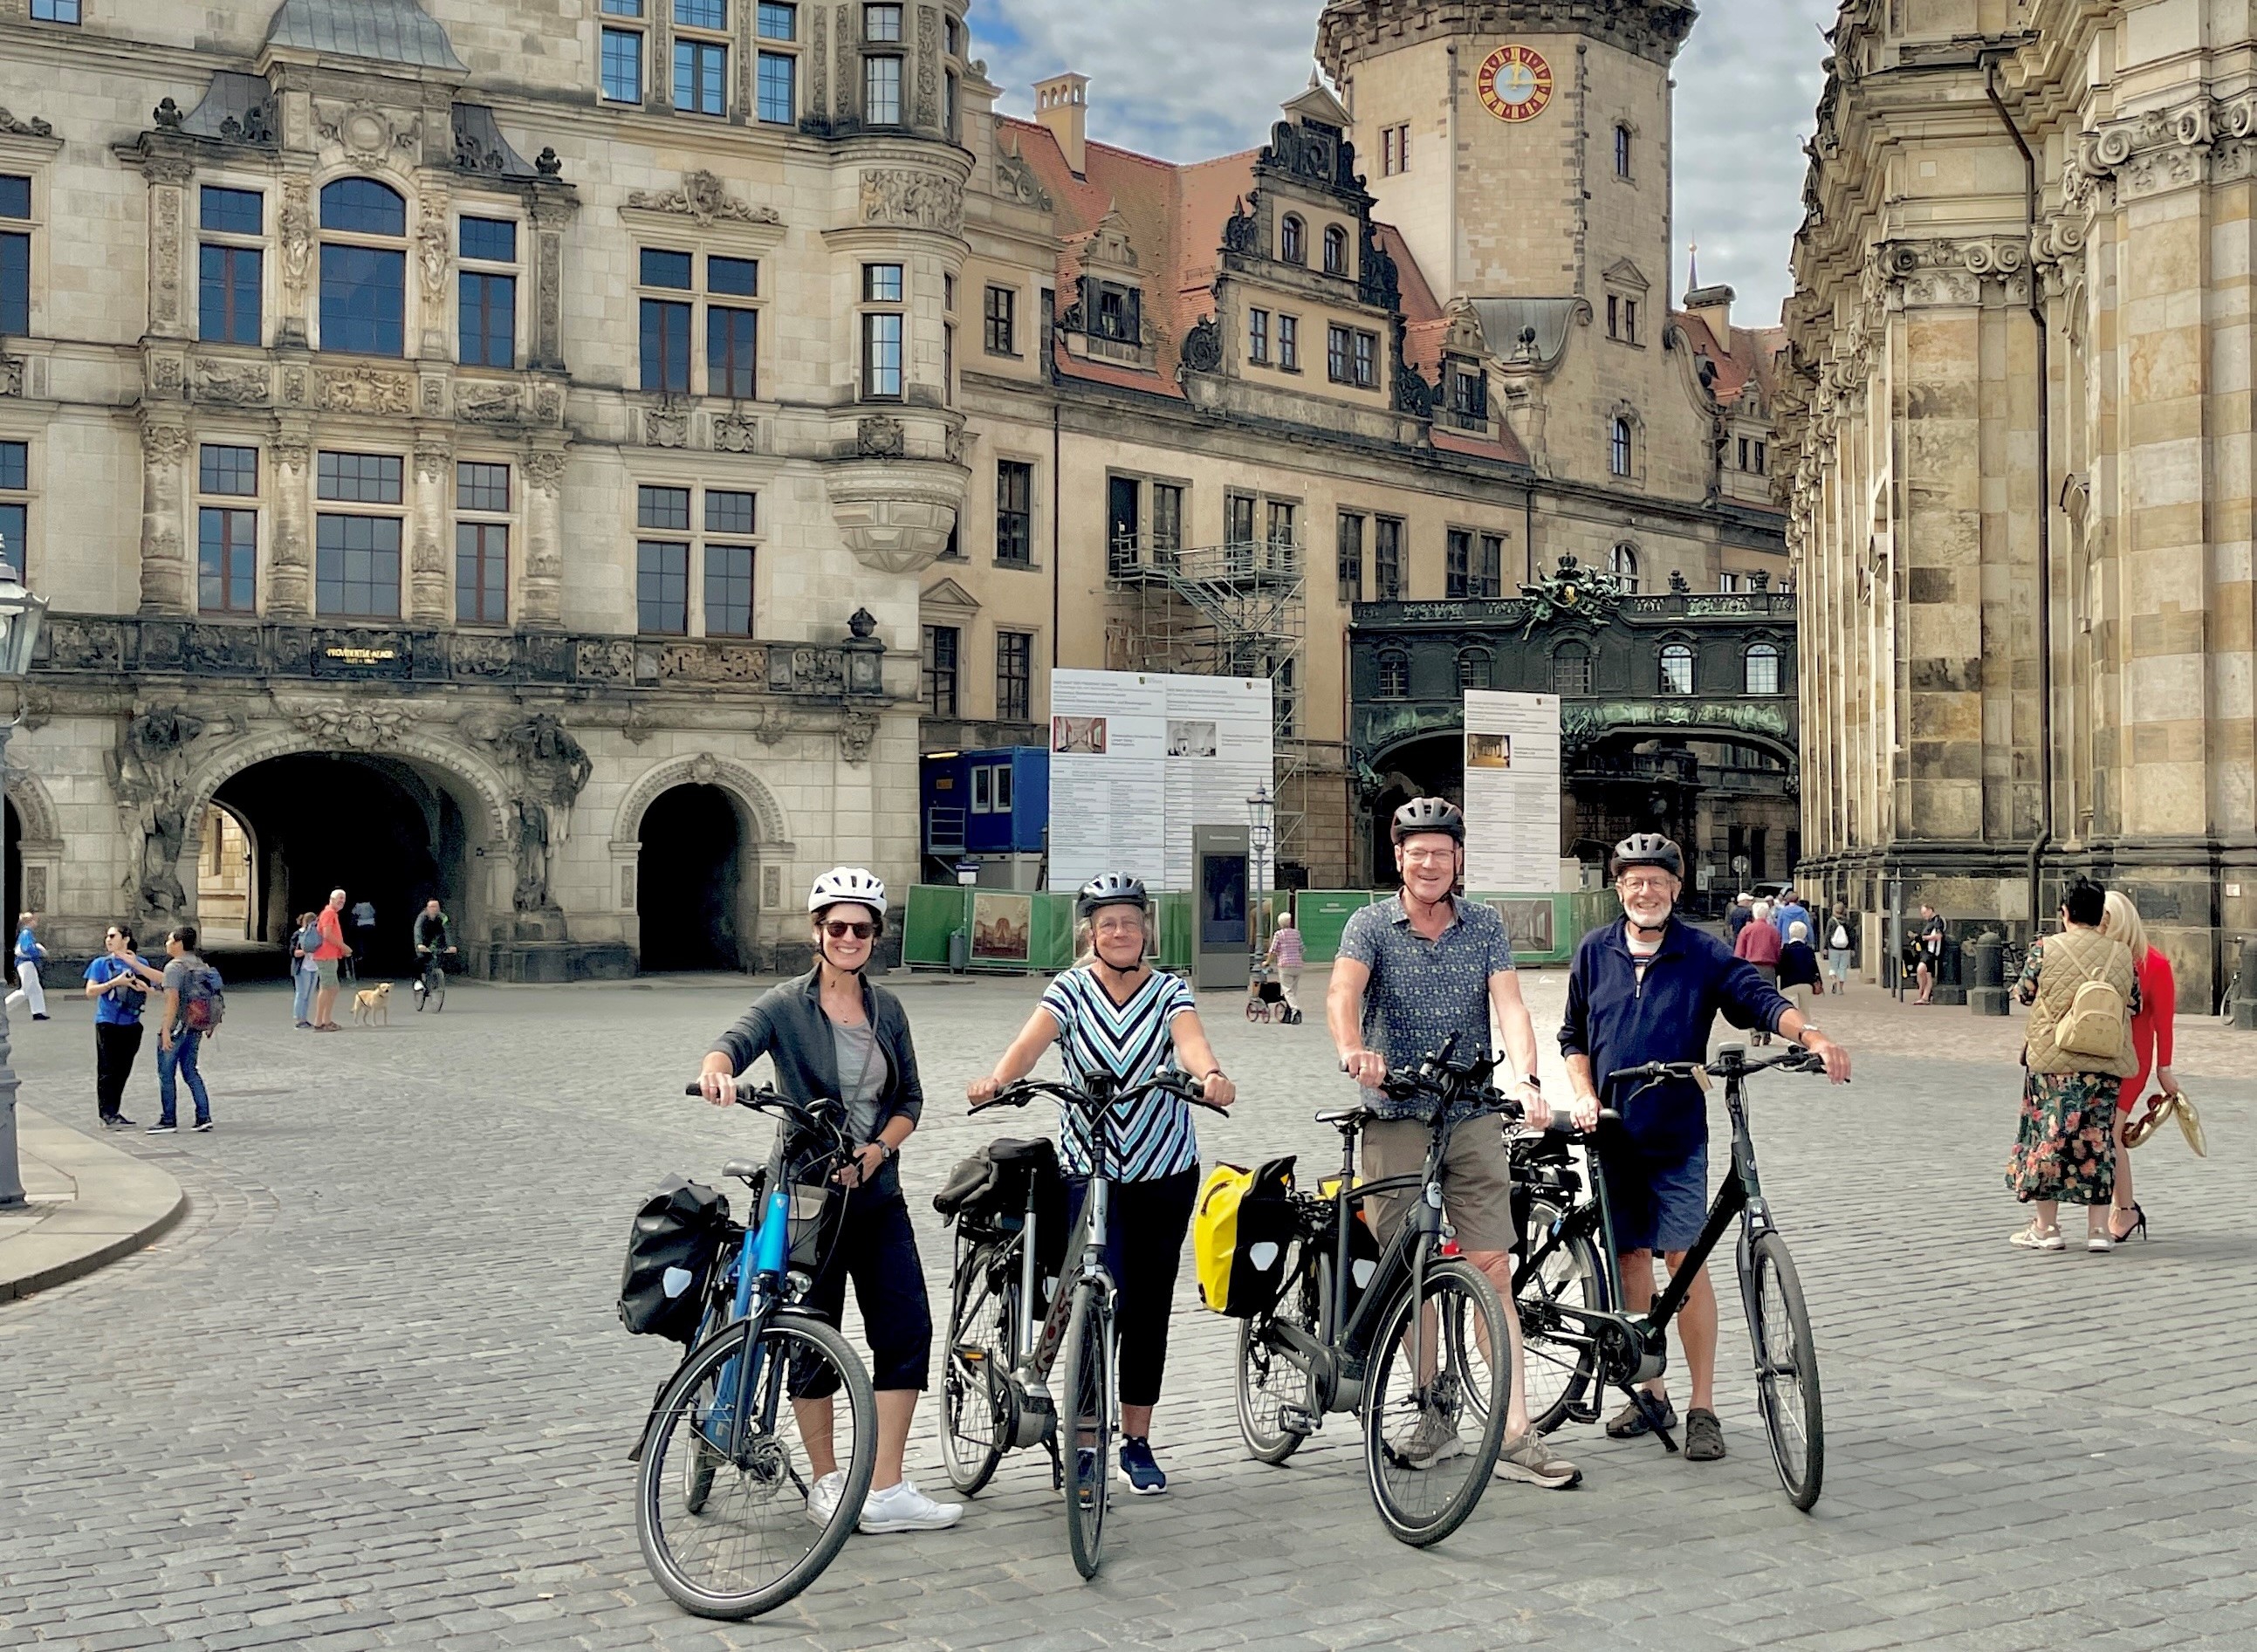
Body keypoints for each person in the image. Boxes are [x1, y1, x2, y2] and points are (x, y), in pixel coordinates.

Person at [1562, 834, 1851, 1463]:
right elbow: (1573, 1035)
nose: (1645, 891)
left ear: (1675, 887)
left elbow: (1757, 997)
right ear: (1619, 888)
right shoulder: (1593, 951)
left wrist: (1813, 1034)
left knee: (1684, 1261)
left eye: (1657, 881)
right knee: (1630, 1259)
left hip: (1677, 1132)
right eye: (1634, 881)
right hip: (1612, 1132)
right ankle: (1652, 1394)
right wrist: (1582, 1093)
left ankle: (1702, 1406)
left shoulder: (1700, 952)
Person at [697, 868, 962, 1535]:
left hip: (877, 1193)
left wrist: (877, 1151)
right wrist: (717, 1071)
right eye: (837, 926)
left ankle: (887, 1485)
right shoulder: (786, 1004)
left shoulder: (887, 1009)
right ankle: (827, 1480)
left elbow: (910, 1100)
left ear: (875, 936)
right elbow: (734, 1042)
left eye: (861, 928)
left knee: (906, 1329)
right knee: (811, 1335)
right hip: (807, 1198)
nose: (849, 937)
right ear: (817, 932)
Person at [1327, 797, 1580, 1491]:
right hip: (1397, 1114)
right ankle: (1434, 1410)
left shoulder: (1485, 924)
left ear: (1458, 859)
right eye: (1418, 851)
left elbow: (1510, 1004)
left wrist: (1528, 1077)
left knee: (1492, 1268)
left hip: (1469, 1114)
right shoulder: (1370, 924)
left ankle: (1516, 1432)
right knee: (1415, 1272)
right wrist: (1353, 1048)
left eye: (1442, 851)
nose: (1430, 862)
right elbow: (1343, 991)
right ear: (1399, 857)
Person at [971, 872, 1238, 1495]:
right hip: (1089, 1170)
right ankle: (1087, 1440)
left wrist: (1211, 1075)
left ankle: (1137, 1440)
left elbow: (1191, 1041)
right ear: (1089, 932)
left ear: (1147, 929)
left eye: (1130, 922)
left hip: (1164, 1168)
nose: (1120, 932)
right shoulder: (1068, 990)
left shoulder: (1169, 990)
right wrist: (998, 1080)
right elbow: (1028, 1046)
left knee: (1147, 1306)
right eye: (1107, 923)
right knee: (1095, 1299)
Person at [2007, 878, 2137, 1253]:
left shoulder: (2045, 948)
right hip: (2104, 1061)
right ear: (2101, 916)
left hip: (2053, 1061)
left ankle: (2046, 1228)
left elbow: (2024, 993)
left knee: (2047, 1138)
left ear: (2064, 912)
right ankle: (2098, 1231)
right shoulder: (2122, 954)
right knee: (2098, 1141)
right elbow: (2135, 1002)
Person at [2100, 889, 2172, 1244]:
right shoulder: (2103, 956)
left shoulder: (2154, 963)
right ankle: (2120, 1206)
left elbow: (2164, 1022)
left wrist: (2165, 1069)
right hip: (2100, 1054)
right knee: (2105, 1133)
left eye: (2105, 921)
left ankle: (2125, 1209)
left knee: (2112, 1132)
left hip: (2133, 1060)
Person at [83, 923, 162, 1129]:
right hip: (107, 1021)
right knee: (107, 1069)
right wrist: (115, 982)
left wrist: (144, 988)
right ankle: (107, 1113)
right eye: (107, 936)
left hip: (132, 1023)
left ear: (125, 939)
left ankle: (114, 1110)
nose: (108, 940)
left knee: (123, 1069)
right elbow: (90, 991)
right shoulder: (101, 964)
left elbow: (156, 988)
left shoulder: (140, 963)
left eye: (113, 936)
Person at [150, 924, 216, 1134]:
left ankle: (168, 1119)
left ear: (179, 943)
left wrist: (166, 1030)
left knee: (166, 1073)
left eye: (170, 940)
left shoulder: (174, 967)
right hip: (196, 1025)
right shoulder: (200, 965)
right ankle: (203, 1116)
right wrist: (211, 1023)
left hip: (178, 1026)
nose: (167, 943)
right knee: (191, 1071)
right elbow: (213, 995)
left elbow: (173, 1001)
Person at [1733, 899, 1782, 1044]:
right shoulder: (1773, 931)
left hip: (1750, 968)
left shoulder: (1746, 930)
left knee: (1750, 1000)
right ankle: (1766, 1031)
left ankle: (1754, 1033)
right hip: (1769, 968)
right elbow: (1778, 953)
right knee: (1768, 999)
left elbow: (1739, 953)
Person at [310, 889, 351, 1032]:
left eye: (343, 899)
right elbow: (327, 935)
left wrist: (340, 949)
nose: (342, 901)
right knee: (327, 988)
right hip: (325, 956)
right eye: (339, 898)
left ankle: (326, 1020)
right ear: (331, 899)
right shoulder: (329, 913)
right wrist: (344, 947)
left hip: (330, 956)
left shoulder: (331, 913)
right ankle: (320, 1021)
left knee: (332, 988)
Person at [1263, 903, 1306, 1024]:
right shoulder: (1296, 933)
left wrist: (1267, 962)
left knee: (1287, 990)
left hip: (1285, 965)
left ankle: (1295, 1010)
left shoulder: (1279, 934)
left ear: (1280, 923)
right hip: (1298, 965)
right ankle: (1289, 1014)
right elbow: (1302, 949)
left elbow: (1272, 950)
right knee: (1293, 991)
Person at [411, 900, 455, 1004]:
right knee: (419, 960)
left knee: (440, 958)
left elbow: (448, 931)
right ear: (427, 908)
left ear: (439, 908)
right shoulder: (422, 917)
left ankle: (435, 981)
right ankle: (418, 981)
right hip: (424, 941)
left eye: (435, 907)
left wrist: (451, 945)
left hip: (437, 941)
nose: (433, 909)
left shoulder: (443, 917)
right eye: (431, 907)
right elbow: (417, 930)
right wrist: (419, 944)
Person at [8, 911, 48, 1022]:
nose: (36, 923)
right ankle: (4, 1007)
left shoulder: (25, 933)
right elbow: (27, 948)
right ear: (30, 922)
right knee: (25, 990)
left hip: (27, 963)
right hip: (25, 963)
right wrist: (38, 951)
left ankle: (38, 1011)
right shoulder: (26, 933)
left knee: (36, 988)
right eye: (34, 920)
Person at [1777, 920, 1823, 1013]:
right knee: (1805, 1011)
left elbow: (1780, 968)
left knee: (1792, 1011)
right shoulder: (1808, 950)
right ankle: (1806, 1022)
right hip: (1806, 983)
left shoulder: (1785, 950)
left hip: (1789, 984)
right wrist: (1818, 981)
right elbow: (1814, 967)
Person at [290, 911, 323, 1029]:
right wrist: (307, 950)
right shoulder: (298, 934)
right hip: (302, 968)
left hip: (315, 967)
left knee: (308, 995)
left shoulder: (318, 934)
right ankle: (299, 1019)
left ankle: (304, 1018)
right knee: (301, 993)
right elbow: (293, 953)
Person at [1824, 900, 1857, 995]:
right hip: (1845, 949)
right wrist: (1852, 948)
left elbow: (1827, 935)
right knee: (1843, 968)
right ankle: (1841, 989)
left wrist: (1825, 947)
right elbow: (1852, 935)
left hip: (1833, 948)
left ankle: (1834, 980)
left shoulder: (1831, 921)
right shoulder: (1847, 922)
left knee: (1833, 966)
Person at [1916, 903, 1946, 1004]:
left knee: (1921, 969)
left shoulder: (1938, 920)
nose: (1923, 915)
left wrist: (1925, 938)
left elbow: (1938, 936)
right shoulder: (1929, 922)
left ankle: (1923, 993)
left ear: (1930, 910)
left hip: (1931, 951)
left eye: (1925, 913)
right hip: (1925, 951)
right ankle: (1925, 996)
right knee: (1927, 974)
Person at [349, 896, 377, 981]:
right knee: (368, 945)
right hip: (370, 926)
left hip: (360, 927)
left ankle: (360, 956)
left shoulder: (357, 906)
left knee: (360, 945)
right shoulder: (370, 905)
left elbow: (353, 916)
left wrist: (352, 925)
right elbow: (374, 913)